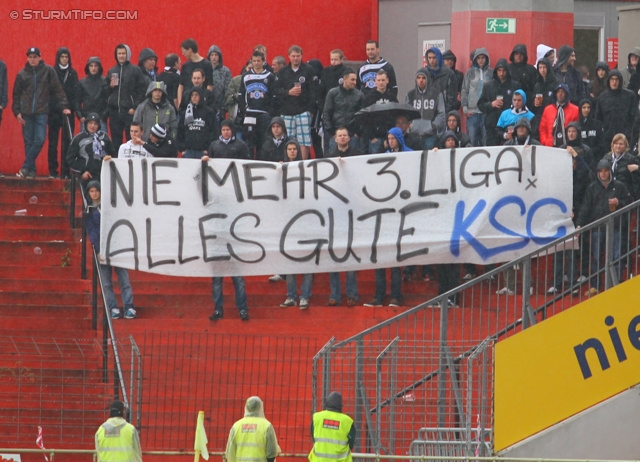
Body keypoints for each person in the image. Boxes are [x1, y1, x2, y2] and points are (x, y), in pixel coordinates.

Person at [577, 158, 632, 296]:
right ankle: (595, 285)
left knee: (616, 256)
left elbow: (630, 202)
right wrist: (579, 224)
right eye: (601, 171)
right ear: (597, 172)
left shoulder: (619, 186)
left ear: (610, 172)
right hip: (598, 227)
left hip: (616, 226)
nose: (603, 174)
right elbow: (586, 207)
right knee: (596, 257)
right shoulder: (592, 187)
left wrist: (619, 202)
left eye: (606, 171)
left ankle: (616, 283)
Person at [13, 47, 70, 179]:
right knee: (28, 142)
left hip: (41, 112)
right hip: (26, 113)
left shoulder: (48, 71)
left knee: (40, 139)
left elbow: (57, 89)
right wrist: (16, 112)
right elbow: (16, 95)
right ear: (27, 58)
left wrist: (64, 106)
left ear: (40, 57)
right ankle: (31, 171)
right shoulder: (22, 74)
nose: (32, 59)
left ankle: (25, 167)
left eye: (35, 57)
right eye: (30, 57)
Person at [85, 180, 137, 319]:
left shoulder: (111, 206)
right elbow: (92, 231)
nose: (95, 193)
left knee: (124, 278)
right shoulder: (88, 210)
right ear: (89, 193)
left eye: (97, 190)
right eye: (92, 191)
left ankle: (129, 306)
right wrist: (98, 249)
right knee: (106, 281)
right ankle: (112, 307)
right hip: (101, 249)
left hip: (117, 246)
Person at [279, 140, 314, 309]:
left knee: (307, 262)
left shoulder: (307, 168)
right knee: (290, 262)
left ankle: (305, 296)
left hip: (306, 221)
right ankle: (291, 296)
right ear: (286, 152)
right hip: (288, 223)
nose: (292, 152)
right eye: (289, 149)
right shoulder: (280, 169)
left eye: (294, 149)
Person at [274, 45, 319, 160]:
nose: (295, 59)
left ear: (301, 56)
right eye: (293, 56)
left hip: (303, 111)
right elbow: (276, 90)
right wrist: (288, 92)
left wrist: (310, 110)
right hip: (287, 112)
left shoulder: (309, 70)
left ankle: (302, 164)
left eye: (298, 56)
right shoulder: (283, 72)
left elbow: (313, 91)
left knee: (304, 140)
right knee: (288, 141)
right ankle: (290, 165)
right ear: (288, 56)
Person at [106, 44, 147, 153]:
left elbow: (142, 90)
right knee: (116, 142)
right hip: (115, 111)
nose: (121, 56)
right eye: (119, 53)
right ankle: (117, 165)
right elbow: (105, 91)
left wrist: (134, 106)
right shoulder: (112, 71)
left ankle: (132, 162)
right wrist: (110, 86)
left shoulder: (135, 70)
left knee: (132, 140)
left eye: (123, 53)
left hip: (129, 111)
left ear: (128, 54)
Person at [48, 47, 79, 179]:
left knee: (68, 142)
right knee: (53, 142)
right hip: (54, 112)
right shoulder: (52, 72)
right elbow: (50, 92)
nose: (64, 59)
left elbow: (74, 94)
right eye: (62, 57)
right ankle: (52, 171)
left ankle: (66, 171)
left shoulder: (73, 73)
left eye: (66, 57)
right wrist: (56, 107)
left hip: (68, 112)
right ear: (58, 58)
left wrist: (70, 108)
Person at [238, 50, 276, 157]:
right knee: (249, 142)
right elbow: (241, 94)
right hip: (250, 114)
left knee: (263, 142)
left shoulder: (269, 76)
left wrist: (269, 112)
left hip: (264, 114)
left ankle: (261, 164)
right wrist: (244, 110)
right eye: (254, 61)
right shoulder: (246, 76)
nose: (256, 63)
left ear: (263, 61)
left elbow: (273, 96)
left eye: (258, 61)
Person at [477, 58, 519, 147]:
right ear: (496, 71)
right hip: (492, 123)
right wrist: (491, 104)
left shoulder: (514, 85)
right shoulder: (488, 86)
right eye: (499, 70)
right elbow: (480, 105)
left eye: (503, 70)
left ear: (507, 71)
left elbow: (520, 102)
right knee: (492, 150)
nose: (501, 73)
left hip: (509, 123)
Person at [226, 396, 280, 462]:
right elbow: (271, 453)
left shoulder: (236, 426)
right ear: (260, 407)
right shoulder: (267, 426)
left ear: (246, 407)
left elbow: (230, 452)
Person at [67, 113, 115, 186]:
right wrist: (82, 172)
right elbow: (70, 159)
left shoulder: (105, 137)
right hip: (88, 175)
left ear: (99, 125)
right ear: (86, 124)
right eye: (90, 123)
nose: (92, 126)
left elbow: (113, 154)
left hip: (104, 174)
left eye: (95, 123)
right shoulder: (78, 138)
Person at [594, 70, 638, 149]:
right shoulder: (602, 98)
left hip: (626, 138)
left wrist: (631, 134)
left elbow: (635, 117)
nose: (614, 82)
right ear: (608, 81)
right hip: (607, 139)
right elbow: (598, 119)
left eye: (616, 79)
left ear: (620, 81)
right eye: (612, 79)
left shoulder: (630, 96)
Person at [323, 69, 364, 151]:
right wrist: (331, 132)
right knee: (334, 160)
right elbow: (327, 113)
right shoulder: (333, 93)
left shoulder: (360, 95)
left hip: (353, 135)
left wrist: (358, 132)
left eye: (355, 80)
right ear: (344, 79)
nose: (355, 82)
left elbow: (363, 115)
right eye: (352, 80)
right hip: (336, 134)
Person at [405, 69, 445, 149]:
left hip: (430, 136)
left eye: (423, 78)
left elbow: (441, 113)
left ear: (427, 79)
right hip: (413, 135)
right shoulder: (410, 95)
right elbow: (406, 112)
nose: (421, 80)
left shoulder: (436, 94)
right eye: (418, 78)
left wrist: (433, 126)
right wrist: (410, 124)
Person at [309, 392, 355, 462]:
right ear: (341, 406)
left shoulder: (317, 418)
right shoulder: (347, 421)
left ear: (326, 404)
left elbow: (313, 436)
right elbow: (351, 442)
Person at [461, 47, 491, 146]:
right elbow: (464, 90)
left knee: (485, 141)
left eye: (483, 57)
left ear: (486, 59)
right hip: (472, 113)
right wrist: (465, 109)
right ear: (475, 60)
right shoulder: (469, 73)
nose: (481, 60)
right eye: (478, 58)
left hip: (486, 112)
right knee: (471, 141)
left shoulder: (491, 73)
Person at [177, 87, 217, 159]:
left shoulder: (209, 112)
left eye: (196, 95)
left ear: (201, 96)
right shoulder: (185, 112)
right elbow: (180, 131)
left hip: (203, 152)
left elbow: (214, 131)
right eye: (192, 95)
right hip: (188, 151)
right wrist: (182, 149)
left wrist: (208, 149)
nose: (194, 97)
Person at [178, 38, 214, 108]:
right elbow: (181, 85)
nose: (183, 54)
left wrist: (205, 101)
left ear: (190, 50)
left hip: (202, 104)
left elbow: (209, 85)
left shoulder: (207, 64)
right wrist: (180, 103)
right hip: (187, 102)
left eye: (184, 51)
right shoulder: (185, 66)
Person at [77, 57, 109, 134]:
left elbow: (109, 101)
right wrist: (80, 116)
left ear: (99, 67)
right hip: (86, 120)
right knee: (86, 144)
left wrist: (104, 116)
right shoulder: (82, 83)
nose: (93, 68)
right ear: (88, 67)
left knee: (102, 144)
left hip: (101, 120)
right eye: (91, 66)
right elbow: (77, 101)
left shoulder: (105, 82)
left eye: (96, 66)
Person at [424, 47, 457, 113]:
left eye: (434, 57)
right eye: (429, 58)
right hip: (428, 109)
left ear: (438, 57)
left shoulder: (449, 73)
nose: (431, 60)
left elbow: (452, 95)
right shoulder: (424, 73)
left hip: (444, 109)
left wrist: (446, 110)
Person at [578, 98, 605, 164]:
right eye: (584, 107)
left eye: (588, 107)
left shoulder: (597, 124)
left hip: (595, 158)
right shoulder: (577, 125)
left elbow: (601, 143)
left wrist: (591, 152)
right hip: (581, 158)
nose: (586, 110)